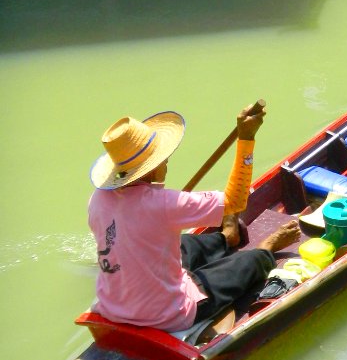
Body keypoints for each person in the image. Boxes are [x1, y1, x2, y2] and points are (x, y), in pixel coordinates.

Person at [88, 103, 300, 332]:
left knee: (183, 243)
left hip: (112, 306)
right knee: (249, 261)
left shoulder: (97, 199)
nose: (167, 160)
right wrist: (246, 138)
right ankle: (265, 249)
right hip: (167, 314)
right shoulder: (164, 204)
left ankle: (227, 237)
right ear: (152, 167)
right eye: (163, 158)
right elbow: (235, 202)